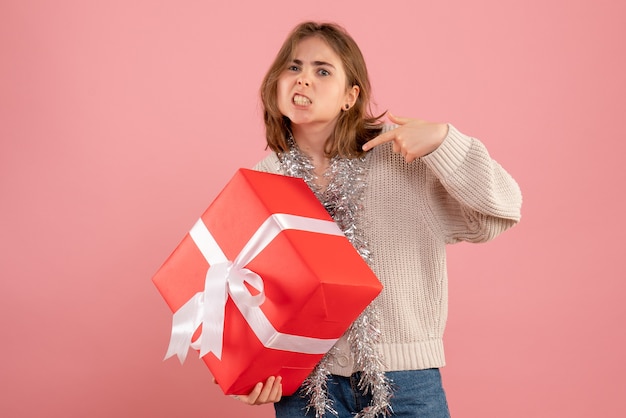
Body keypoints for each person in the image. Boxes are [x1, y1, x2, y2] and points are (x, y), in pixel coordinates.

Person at [231, 21, 522, 417]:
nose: (303, 81)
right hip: (305, 390)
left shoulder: (400, 157)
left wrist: (444, 142)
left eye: (322, 70)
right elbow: (248, 295)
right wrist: (253, 373)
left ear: (351, 96)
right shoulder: (261, 180)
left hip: (405, 382)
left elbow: (498, 212)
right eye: (293, 67)